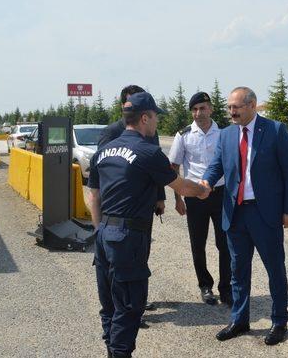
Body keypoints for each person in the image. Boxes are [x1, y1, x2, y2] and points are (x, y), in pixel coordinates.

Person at [88, 92, 210, 358]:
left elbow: (93, 196)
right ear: (144, 118)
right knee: (130, 306)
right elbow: (181, 186)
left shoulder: (104, 151)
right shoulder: (148, 151)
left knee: (109, 305)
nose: (156, 124)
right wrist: (202, 190)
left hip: (104, 234)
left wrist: (99, 230)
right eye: (155, 117)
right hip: (128, 238)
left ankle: (111, 349)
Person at [201, 86, 288, 346]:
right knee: (238, 271)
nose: (232, 112)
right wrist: (206, 183)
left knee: (275, 270)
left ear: (252, 105)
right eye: (229, 108)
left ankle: (279, 322)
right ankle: (239, 320)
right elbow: (217, 166)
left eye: (237, 107)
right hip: (235, 214)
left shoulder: (275, 131)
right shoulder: (226, 135)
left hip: (264, 213)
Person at [97, 85, 165, 320]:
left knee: (139, 256)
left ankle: (135, 301)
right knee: (118, 270)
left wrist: (160, 197)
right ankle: (127, 306)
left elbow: (155, 168)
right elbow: (99, 182)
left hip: (142, 210)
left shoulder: (150, 133)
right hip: (119, 213)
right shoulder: (111, 133)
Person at [168, 92, 232, 306]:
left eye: (202, 108)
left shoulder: (223, 134)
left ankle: (226, 288)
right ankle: (205, 285)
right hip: (194, 196)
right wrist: (178, 199)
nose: (198, 113)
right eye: (194, 109)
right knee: (198, 243)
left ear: (211, 109)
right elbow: (174, 168)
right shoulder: (183, 135)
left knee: (225, 243)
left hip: (220, 194)